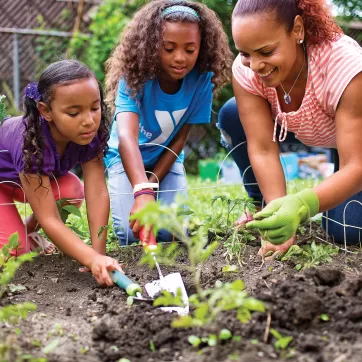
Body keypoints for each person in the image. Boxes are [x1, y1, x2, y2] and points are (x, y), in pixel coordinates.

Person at [218, 0, 362, 257]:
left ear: (297, 30)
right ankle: (262, 205)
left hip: (354, 144)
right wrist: (278, 217)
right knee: (231, 113)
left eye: (266, 52)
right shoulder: (247, 70)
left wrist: (302, 205)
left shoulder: (345, 65)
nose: (255, 66)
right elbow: (262, 149)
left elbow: (357, 165)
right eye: (245, 53)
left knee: (346, 230)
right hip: (308, 127)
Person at [104, 0, 233, 245]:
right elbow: (126, 138)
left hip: (166, 159)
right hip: (126, 158)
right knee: (131, 233)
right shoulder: (135, 78)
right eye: (169, 48)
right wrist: (142, 192)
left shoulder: (202, 81)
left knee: (173, 231)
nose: (180, 58)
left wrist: (151, 186)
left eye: (189, 49)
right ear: (152, 47)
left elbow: (180, 139)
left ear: (201, 48)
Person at [0, 60, 123, 286]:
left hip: (27, 183)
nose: (89, 121)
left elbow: (96, 191)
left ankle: (27, 231)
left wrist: (97, 254)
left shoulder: (89, 134)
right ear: (46, 111)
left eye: (95, 108)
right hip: (3, 185)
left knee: (72, 189)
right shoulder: (30, 141)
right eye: (74, 113)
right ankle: (22, 237)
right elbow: (48, 217)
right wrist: (92, 258)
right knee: (15, 253)